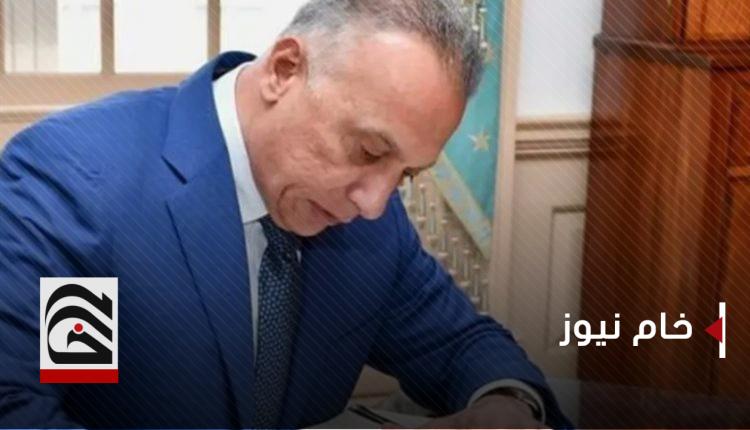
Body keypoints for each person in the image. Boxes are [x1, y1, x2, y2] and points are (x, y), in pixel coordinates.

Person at [0, 0, 571, 428]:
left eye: (406, 174)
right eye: (368, 150)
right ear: (284, 70)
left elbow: (457, 344)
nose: (374, 203)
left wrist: (507, 405)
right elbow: (23, 407)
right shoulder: (87, 191)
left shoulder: (369, 219)